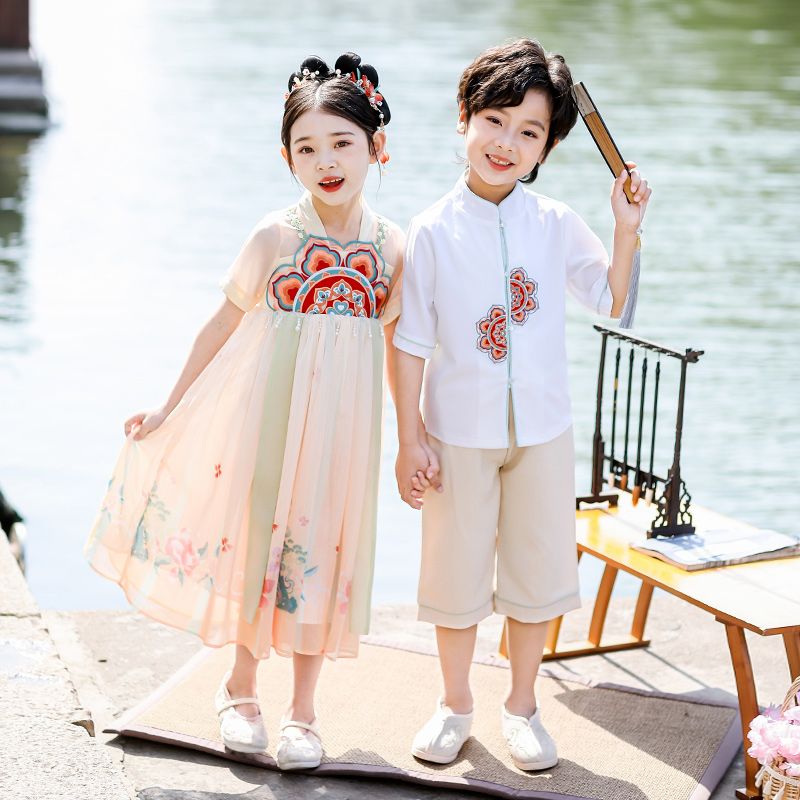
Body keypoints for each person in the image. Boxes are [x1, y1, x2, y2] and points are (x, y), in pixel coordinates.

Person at [85, 52, 407, 770]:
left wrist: (409, 438)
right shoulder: (276, 237)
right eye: (307, 148)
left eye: (342, 144)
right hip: (269, 419)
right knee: (264, 543)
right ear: (287, 157)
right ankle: (239, 687)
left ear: (376, 147)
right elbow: (221, 324)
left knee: (324, 550)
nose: (325, 161)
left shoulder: (392, 248)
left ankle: (304, 711)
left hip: (344, 432)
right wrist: (169, 408)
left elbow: (399, 349)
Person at [393, 38, 651, 770]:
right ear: (465, 120)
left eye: (529, 132)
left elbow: (612, 301)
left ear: (549, 147)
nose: (506, 143)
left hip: (543, 429)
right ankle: (454, 704)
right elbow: (409, 342)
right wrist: (409, 437)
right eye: (495, 121)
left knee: (537, 576)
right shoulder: (431, 232)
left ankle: (523, 706)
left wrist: (625, 231)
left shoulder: (557, 223)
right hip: (457, 432)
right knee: (454, 573)